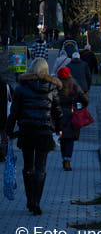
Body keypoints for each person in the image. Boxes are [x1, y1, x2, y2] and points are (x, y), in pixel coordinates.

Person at [5, 57, 61, 215]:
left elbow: (14, 112)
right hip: (44, 132)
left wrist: (9, 132)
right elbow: (57, 111)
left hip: (27, 132)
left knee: (28, 166)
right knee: (41, 168)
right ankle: (36, 201)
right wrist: (59, 129)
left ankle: (30, 200)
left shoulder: (21, 87)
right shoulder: (52, 87)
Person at [55, 67, 88, 172]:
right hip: (71, 114)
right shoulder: (74, 87)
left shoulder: (56, 87)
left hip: (58, 115)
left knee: (62, 138)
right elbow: (85, 99)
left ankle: (64, 158)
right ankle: (67, 160)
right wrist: (80, 107)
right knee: (70, 139)